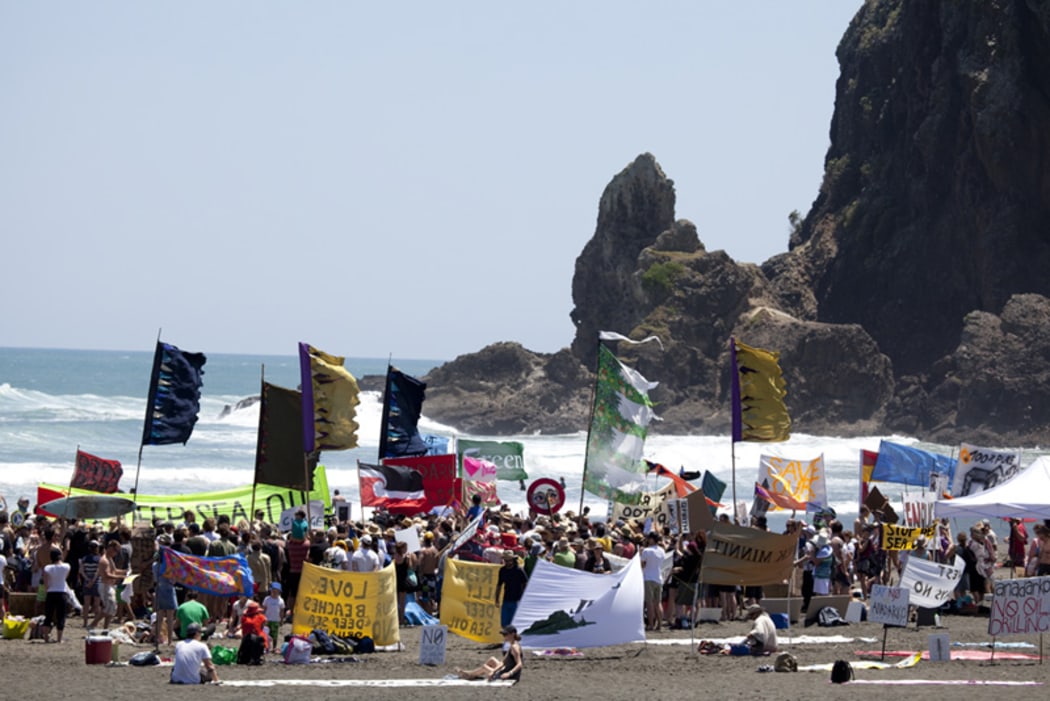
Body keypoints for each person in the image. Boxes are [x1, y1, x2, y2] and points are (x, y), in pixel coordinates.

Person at [456, 624, 523, 681]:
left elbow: (519, 664)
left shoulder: (514, 648)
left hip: (509, 676)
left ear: (512, 634)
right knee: (492, 659)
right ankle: (471, 674)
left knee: (484, 667)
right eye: (503, 634)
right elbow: (503, 662)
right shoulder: (513, 645)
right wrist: (493, 671)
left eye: (505, 634)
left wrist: (509, 673)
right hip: (507, 670)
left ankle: (470, 675)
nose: (504, 636)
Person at [42, 548, 70, 643]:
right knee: (61, 616)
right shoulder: (66, 566)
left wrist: (47, 590)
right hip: (62, 592)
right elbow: (65, 578)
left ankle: (46, 637)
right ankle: (59, 638)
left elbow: (46, 583)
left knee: (48, 615)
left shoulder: (47, 568)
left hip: (51, 592)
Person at [495, 550, 528, 628]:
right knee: (504, 624)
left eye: (509, 560)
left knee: (514, 624)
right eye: (506, 560)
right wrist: (496, 599)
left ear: (513, 560)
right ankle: (507, 639)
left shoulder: (519, 570)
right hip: (506, 600)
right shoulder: (502, 570)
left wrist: (523, 598)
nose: (508, 562)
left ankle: (512, 639)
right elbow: (499, 585)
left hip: (517, 600)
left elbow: (525, 584)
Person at [640, 532, 666, 631]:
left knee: (649, 603)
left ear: (652, 539)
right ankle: (660, 624)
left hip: (648, 578)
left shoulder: (647, 551)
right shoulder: (662, 551)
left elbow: (642, 565)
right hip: (658, 578)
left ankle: (651, 624)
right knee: (658, 603)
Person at [261, 582, 285, 652]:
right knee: (266, 634)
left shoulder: (281, 600)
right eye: (273, 591)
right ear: (270, 591)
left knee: (274, 635)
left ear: (279, 592)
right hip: (267, 619)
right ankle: (266, 647)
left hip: (276, 620)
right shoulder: (267, 599)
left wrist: (281, 619)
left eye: (276, 591)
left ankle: (274, 647)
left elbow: (282, 611)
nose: (274, 592)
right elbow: (264, 608)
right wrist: (262, 617)